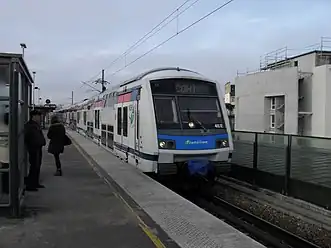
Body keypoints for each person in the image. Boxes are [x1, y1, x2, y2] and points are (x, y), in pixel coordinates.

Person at [24, 110, 46, 191]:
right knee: (34, 166)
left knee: (37, 166)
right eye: (39, 116)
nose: (40, 118)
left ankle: (35, 183)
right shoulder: (30, 126)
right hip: (33, 149)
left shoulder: (34, 125)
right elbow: (32, 138)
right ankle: (31, 185)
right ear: (34, 116)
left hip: (37, 148)